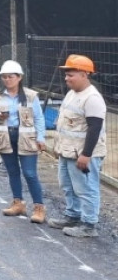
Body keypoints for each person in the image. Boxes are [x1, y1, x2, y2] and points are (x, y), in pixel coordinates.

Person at [48, 54, 107, 238]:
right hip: (67, 151)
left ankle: (89, 225)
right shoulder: (72, 94)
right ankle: (73, 215)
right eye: (66, 74)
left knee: (86, 188)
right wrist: (59, 148)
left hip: (83, 154)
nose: (66, 78)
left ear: (84, 74)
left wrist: (86, 155)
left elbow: (95, 128)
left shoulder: (92, 98)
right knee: (67, 185)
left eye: (70, 74)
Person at [0, 60, 46, 223]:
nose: (7, 80)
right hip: (6, 137)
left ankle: (39, 208)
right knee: (13, 172)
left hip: (26, 139)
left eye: (10, 77)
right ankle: (17, 202)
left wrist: (41, 137)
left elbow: (39, 118)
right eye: (4, 77)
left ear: (19, 77)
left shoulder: (30, 96)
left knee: (30, 173)